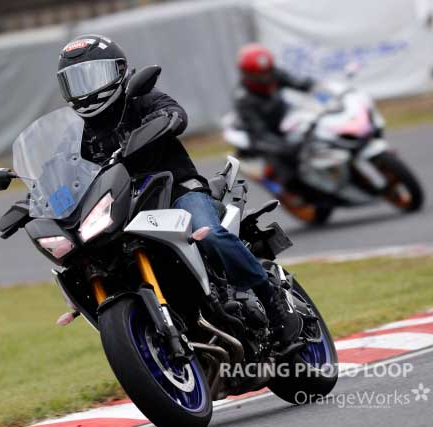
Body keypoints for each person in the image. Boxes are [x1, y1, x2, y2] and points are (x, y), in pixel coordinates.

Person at [57, 34, 300, 344]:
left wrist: (164, 120)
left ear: (118, 70)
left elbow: (174, 113)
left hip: (178, 192)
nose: (86, 89)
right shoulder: (80, 133)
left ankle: (270, 298)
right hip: (125, 209)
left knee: (209, 234)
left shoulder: (141, 99)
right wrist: (37, 193)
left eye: (93, 76)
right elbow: (60, 168)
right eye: (76, 81)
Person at [234, 44, 317, 219]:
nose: (265, 78)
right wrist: (283, 146)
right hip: (262, 135)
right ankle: (292, 192)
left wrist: (317, 86)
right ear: (248, 75)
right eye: (259, 75)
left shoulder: (274, 75)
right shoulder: (244, 99)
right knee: (284, 157)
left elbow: (300, 84)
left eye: (267, 72)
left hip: (285, 121)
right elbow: (259, 133)